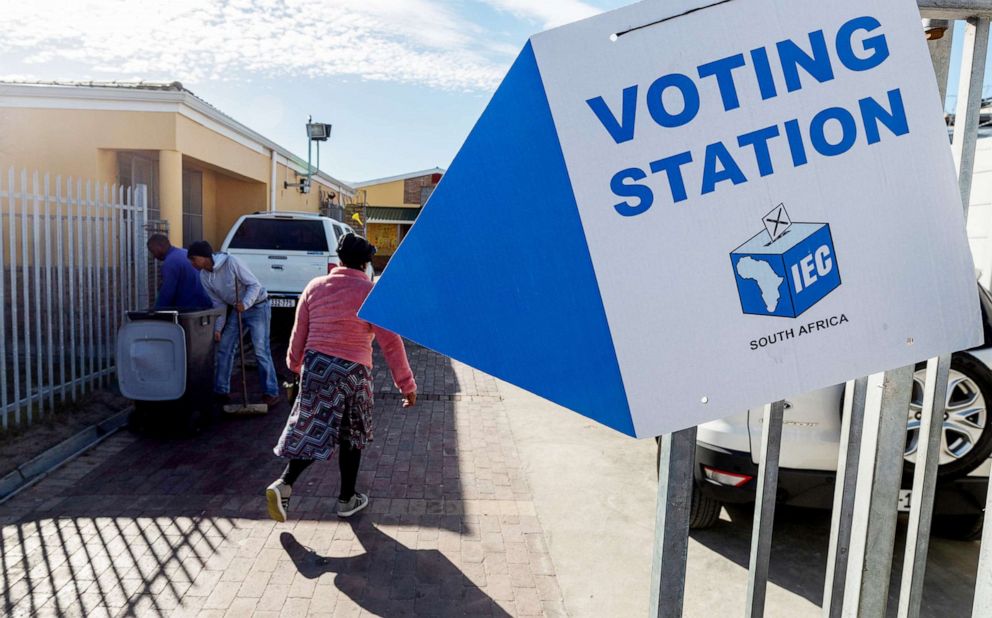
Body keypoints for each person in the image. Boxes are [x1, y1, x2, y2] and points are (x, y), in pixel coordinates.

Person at [266, 233, 417, 521]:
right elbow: (391, 342)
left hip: (317, 368)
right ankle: (347, 499)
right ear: (366, 263)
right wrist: (406, 384)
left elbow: (299, 334)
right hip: (353, 372)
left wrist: (295, 366)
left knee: (314, 429)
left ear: (339, 259)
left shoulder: (314, 287)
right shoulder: (370, 292)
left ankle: (284, 484)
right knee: (352, 435)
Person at [186, 240, 281, 407]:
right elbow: (219, 304)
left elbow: (255, 285)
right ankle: (221, 391)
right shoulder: (204, 276)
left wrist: (245, 303)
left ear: (203, 257)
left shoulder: (232, 262)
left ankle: (271, 392)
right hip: (237, 310)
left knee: (260, 350)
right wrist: (218, 328)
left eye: (193, 259)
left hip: (258, 306)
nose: (192, 263)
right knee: (224, 347)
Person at [146, 234, 212, 310]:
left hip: (188, 311)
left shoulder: (170, 262)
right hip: (205, 306)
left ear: (159, 246)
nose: (154, 256)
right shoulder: (185, 252)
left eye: (153, 251)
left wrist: (156, 312)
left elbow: (167, 293)